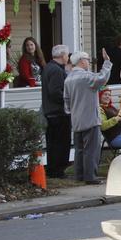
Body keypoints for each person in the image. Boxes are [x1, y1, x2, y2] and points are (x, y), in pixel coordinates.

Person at [64, 50, 112, 184]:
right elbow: (102, 78)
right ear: (81, 61)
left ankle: (79, 176)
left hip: (76, 119)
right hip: (90, 117)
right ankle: (91, 177)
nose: (89, 62)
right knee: (91, 149)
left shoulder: (68, 78)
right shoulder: (86, 77)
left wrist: (71, 113)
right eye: (87, 60)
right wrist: (107, 63)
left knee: (79, 150)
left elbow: (66, 101)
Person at [41, 44, 71, 178]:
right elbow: (55, 92)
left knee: (52, 143)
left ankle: (53, 169)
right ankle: (57, 170)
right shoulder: (56, 71)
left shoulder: (48, 67)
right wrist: (68, 101)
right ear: (62, 55)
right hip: (58, 112)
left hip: (50, 111)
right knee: (61, 143)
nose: (68, 57)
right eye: (67, 55)